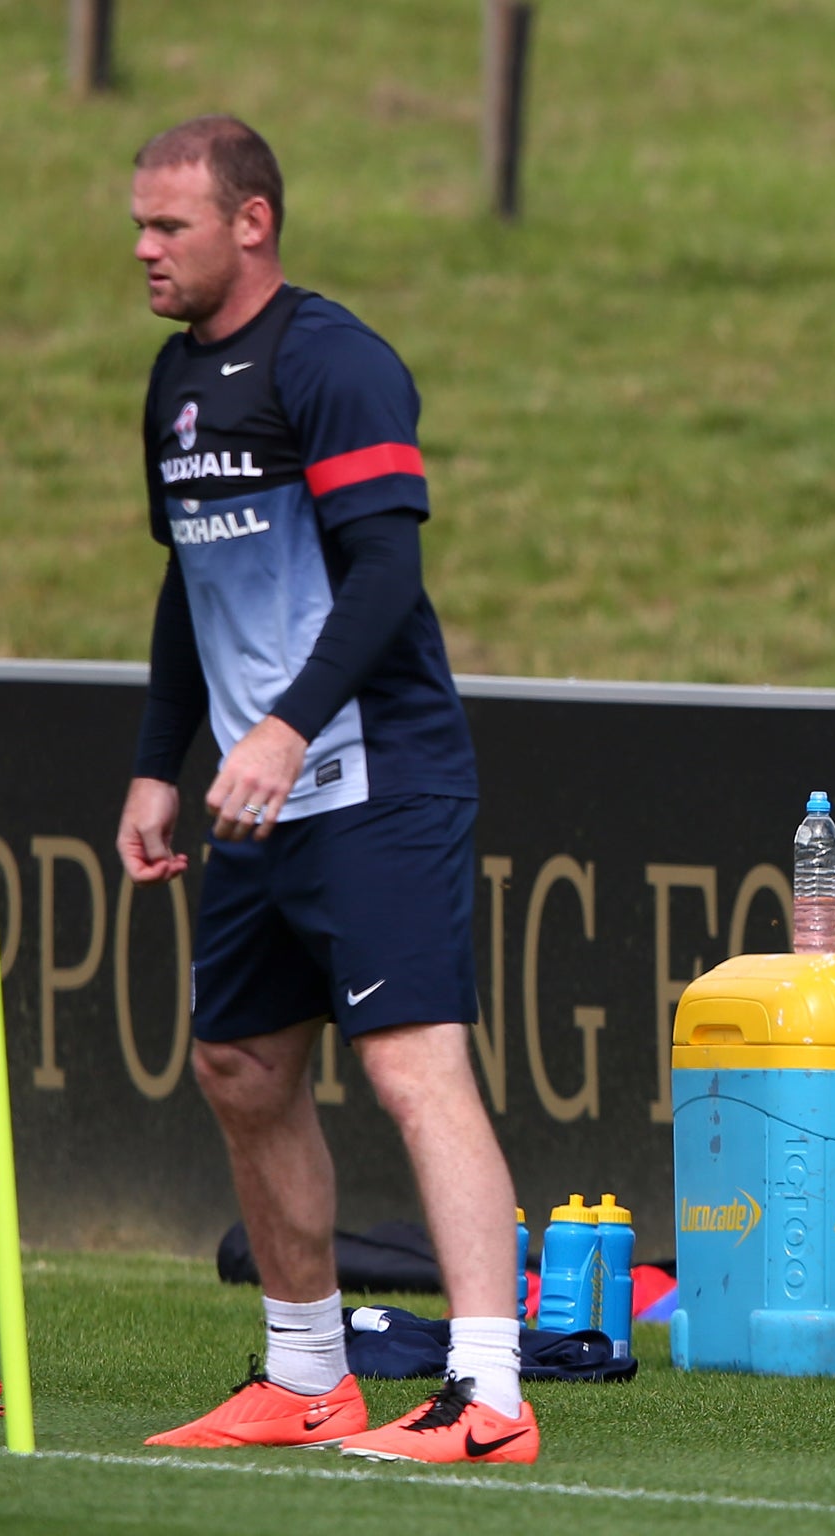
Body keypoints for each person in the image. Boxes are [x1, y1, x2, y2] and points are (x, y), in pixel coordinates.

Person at [115, 116, 536, 1464]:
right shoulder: (173, 385)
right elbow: (193, 583)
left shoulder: (336, 363)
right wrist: (153, 766)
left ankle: (490, 1398)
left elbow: (385, 576)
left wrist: (291, 727)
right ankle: (306, 1375)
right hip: (254, 800)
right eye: (137, 224)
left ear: (252, 223)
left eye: (169, 225)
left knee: (416, 1070)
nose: (143, 248)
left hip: (376, 778)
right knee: (239, 1065)